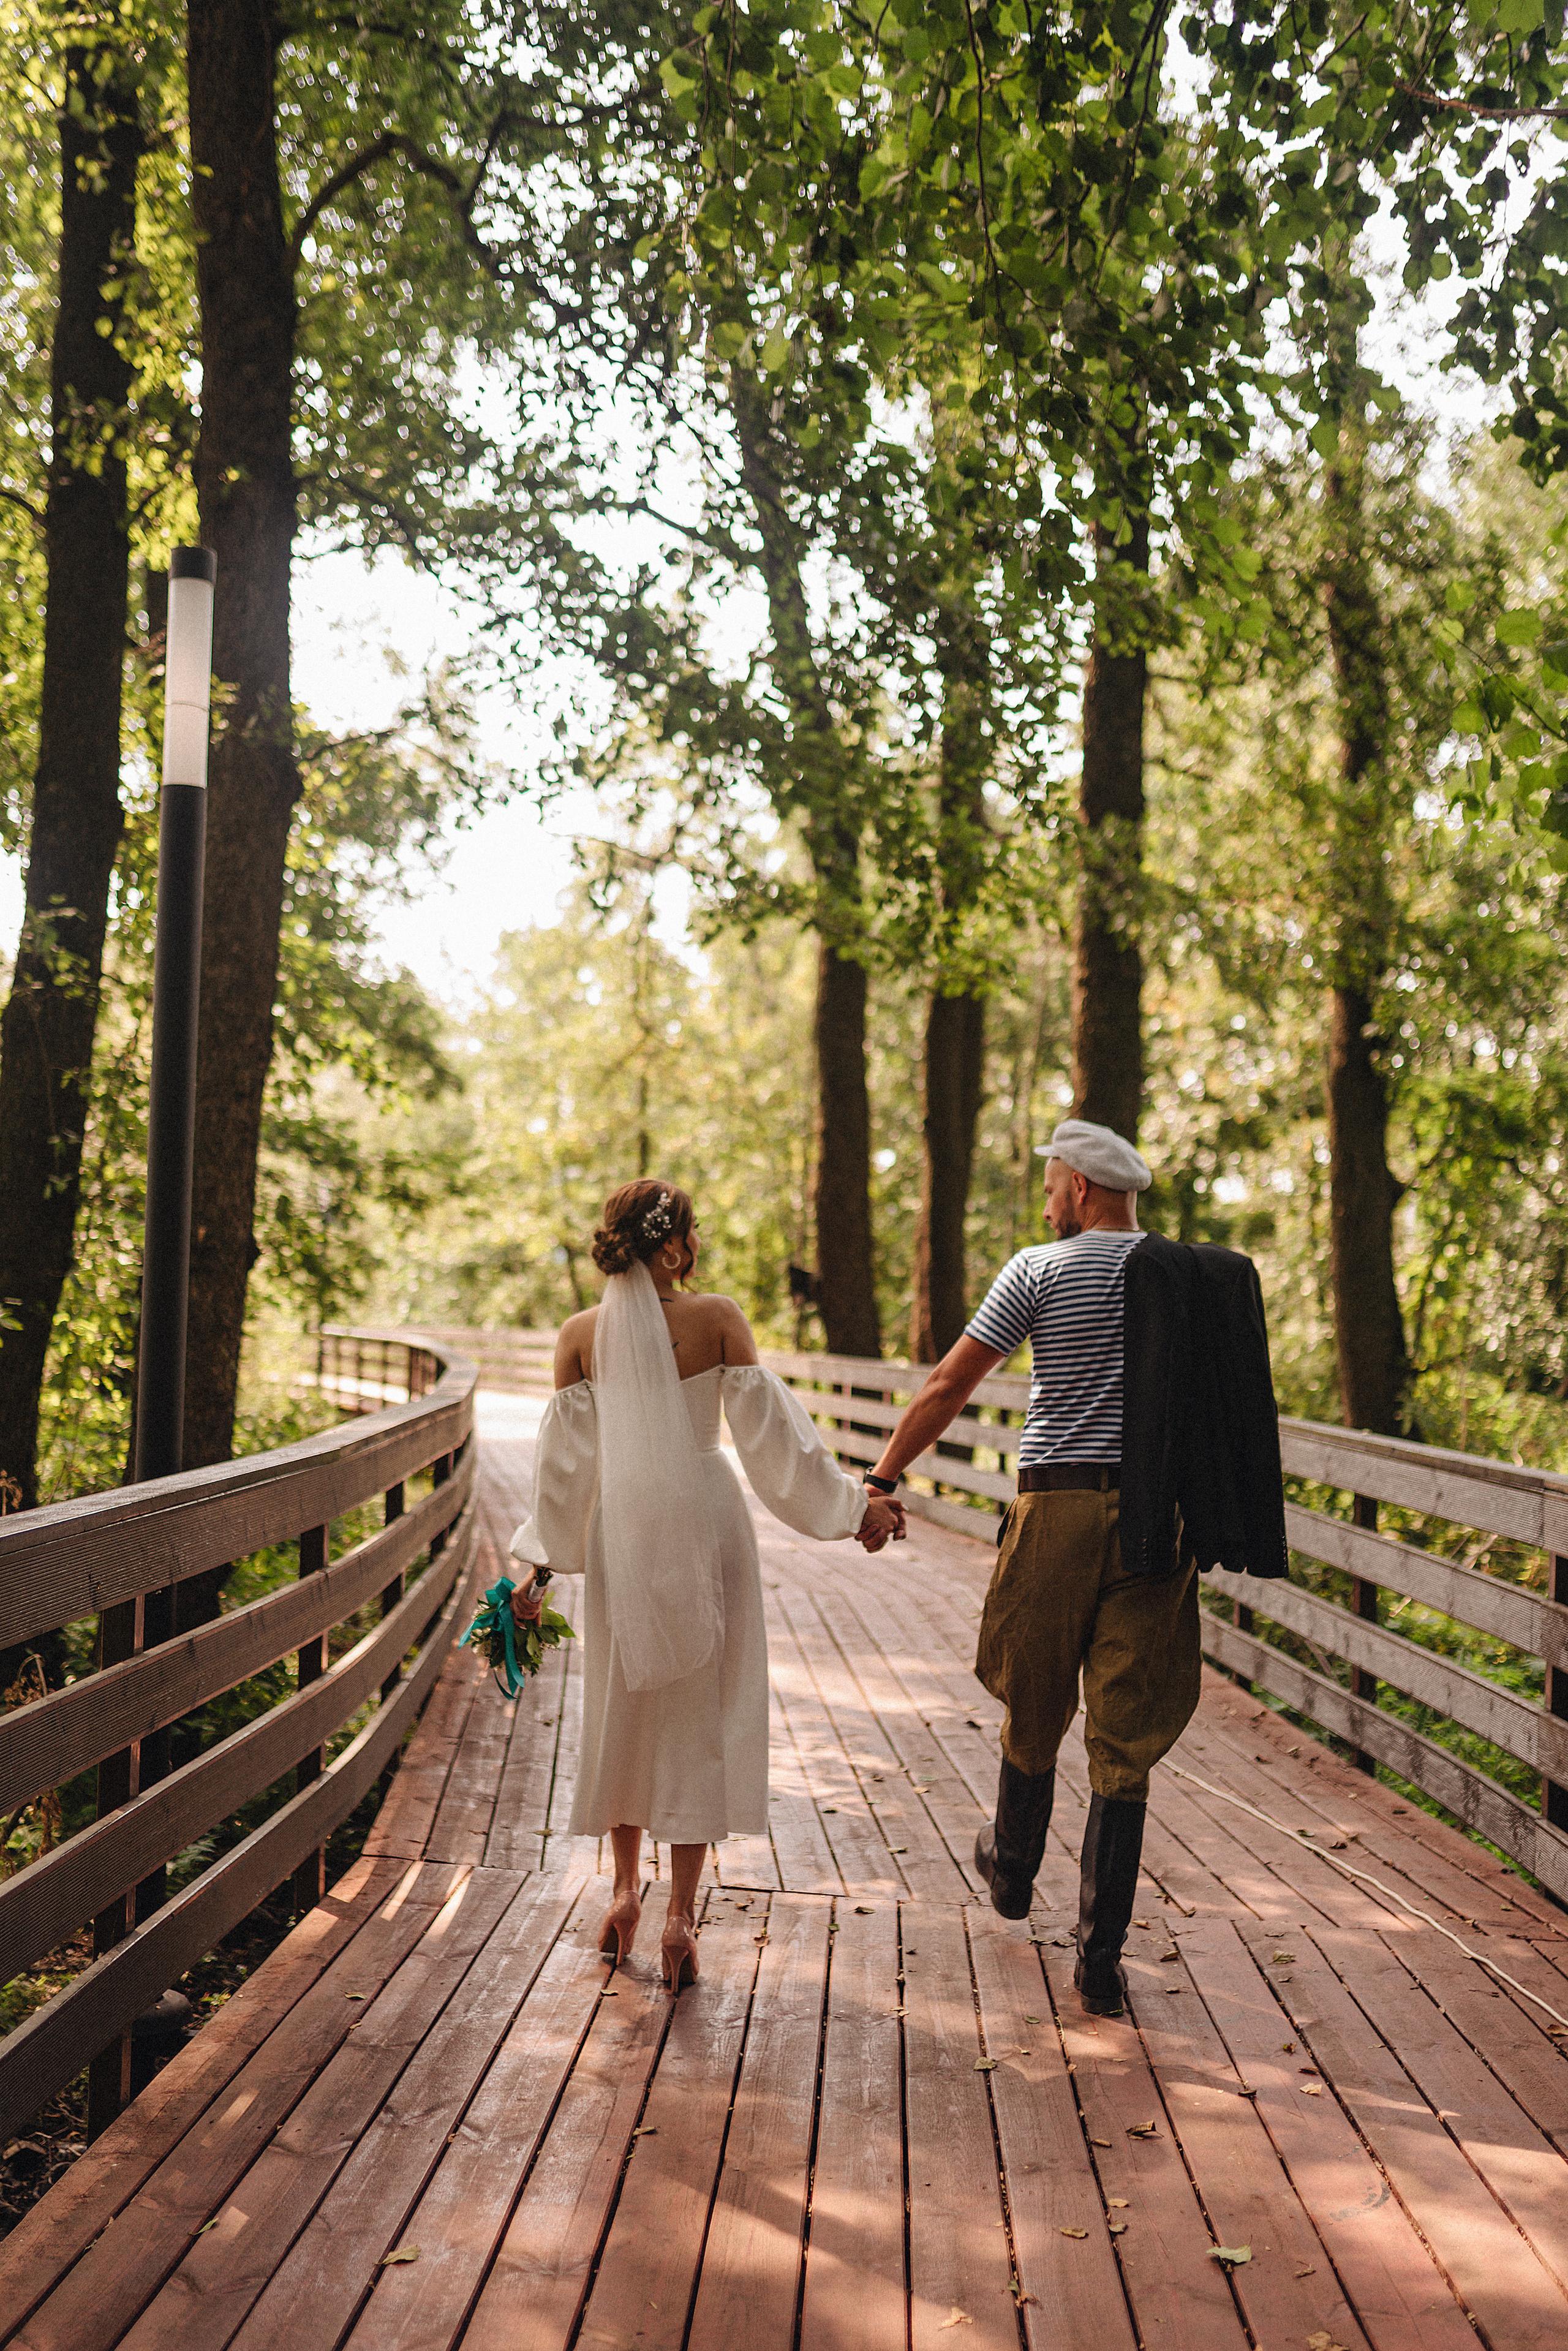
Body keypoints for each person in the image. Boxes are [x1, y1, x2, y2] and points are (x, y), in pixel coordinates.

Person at [862, 1117, 1285, 2019]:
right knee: (1123, 1735)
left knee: (1035, 1692)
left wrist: (884, 1473)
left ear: (1083, 1188)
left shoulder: (1039, 1269)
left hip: (1055, 1507)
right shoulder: (1184, 1278)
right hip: (1156, 1525)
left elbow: (949, 1383)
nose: (1047, 1197)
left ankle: (1012, 1870)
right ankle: (1100, 1957)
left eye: (1052, 1182)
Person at [507, 1178, 906, 1991]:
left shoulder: (579, 1337)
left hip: (623, 1523)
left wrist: (538, 1568)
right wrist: (850, 1508)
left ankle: (623, 1893)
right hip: (709, 1517)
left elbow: (566, 1475)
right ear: (678, 1244)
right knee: (699, 1709)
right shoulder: (718, 1319)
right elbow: (777, 1447)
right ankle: (682, 1916)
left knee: (627, 1702)